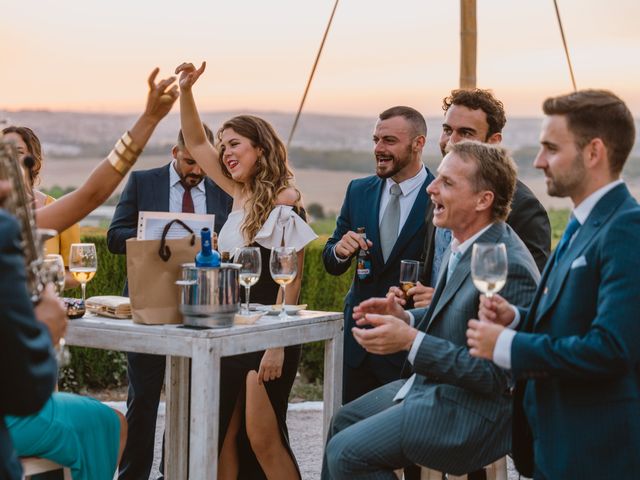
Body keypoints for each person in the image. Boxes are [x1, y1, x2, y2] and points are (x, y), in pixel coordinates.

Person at [322, 141, 540, 479]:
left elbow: (494, 377)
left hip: (469, 411)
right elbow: (454, 315)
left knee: (345, 453)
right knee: (342, 421)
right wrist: (405, 317)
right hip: (434, 387)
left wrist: (410, 340)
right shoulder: (465, 244)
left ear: (484, 200)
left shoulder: (504, 264)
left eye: (448, 183)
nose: (430, 187)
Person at [0, 67, 178, 480]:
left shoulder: (23, 223)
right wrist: (45, 330)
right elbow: (25, 384)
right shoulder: (9, 232)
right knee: (109, 424)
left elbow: (91, 194)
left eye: (18, 161)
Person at [467, 90, 640, 479]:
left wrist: (508, 345)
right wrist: (516, 318)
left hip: (596, 450)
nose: (538, 160)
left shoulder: (627, 228)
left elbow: (611, 348)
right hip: (557, 442)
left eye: (551, 148)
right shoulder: (582, 222)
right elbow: (574, 317)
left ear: (593, 152)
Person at [176, 61, 317, 480]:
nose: (225, 153)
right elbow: (197, 144)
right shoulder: (239, 193)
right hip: (232, 332)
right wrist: (185, 91)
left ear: (261, 148)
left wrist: (276, 344)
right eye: (224, 146)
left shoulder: (284, 201)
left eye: (235, 144)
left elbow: (291, 280)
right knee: (225, 437)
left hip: (268, 336)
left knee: (263, 437)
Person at [107, 125, 232, 480]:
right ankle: (133, 476)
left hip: (203, 305)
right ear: (175, 153)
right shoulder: (143, 182)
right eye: (191, 161)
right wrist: (156, 235)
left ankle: (172, 473)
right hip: (150, 303)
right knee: (143, 398)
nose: (197, 171)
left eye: (204, 164)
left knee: (192, 401)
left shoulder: (224, 189)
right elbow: (114, 236)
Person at [397, 89, 550, 310]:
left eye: (466, 133)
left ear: (494, 141)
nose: (452, 141)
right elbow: (437, 264)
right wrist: (410, 293)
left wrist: (443, 302)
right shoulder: (438, 195)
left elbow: (528, 300)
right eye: (447, 130)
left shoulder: (523, 207)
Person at [322, 106, 435, 403]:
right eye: (375, 140)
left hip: (407, 347)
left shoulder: (438, 197)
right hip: (358, 343)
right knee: (349, 434)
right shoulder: (358, 191)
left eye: (389, 141)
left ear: (418, 143)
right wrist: (340, 251)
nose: (378, 149)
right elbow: (331, 261)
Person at [2, 125, 80, 289]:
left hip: (43, 307)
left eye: (18, 152)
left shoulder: (58, 208)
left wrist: (39, 282)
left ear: (34, 162)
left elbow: (76, 273)